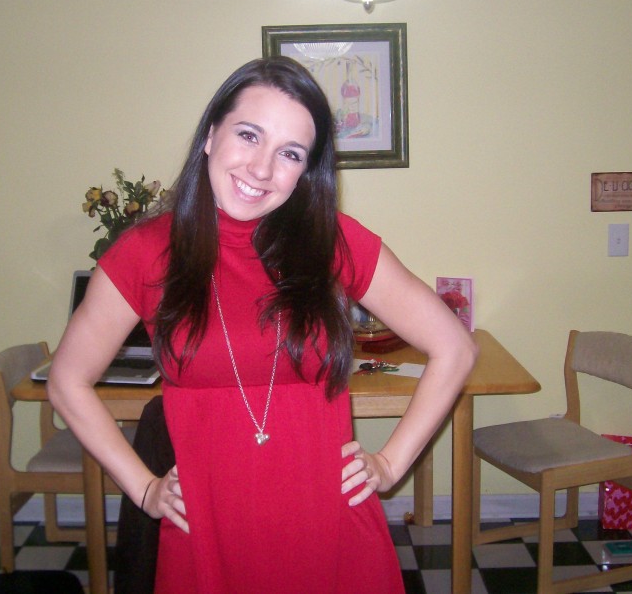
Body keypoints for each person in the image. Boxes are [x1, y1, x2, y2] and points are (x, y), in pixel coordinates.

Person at [47, 56, 478, 593]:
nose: (261, 168)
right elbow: (67, 381)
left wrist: (390, 465)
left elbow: (455, 348)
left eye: (290, 153)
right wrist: (144, 488)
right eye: (248, 135)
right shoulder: (145, 251)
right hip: (207, 530)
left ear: (306, 171)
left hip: (329, 525)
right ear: (211, 135)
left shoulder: (333, 241)